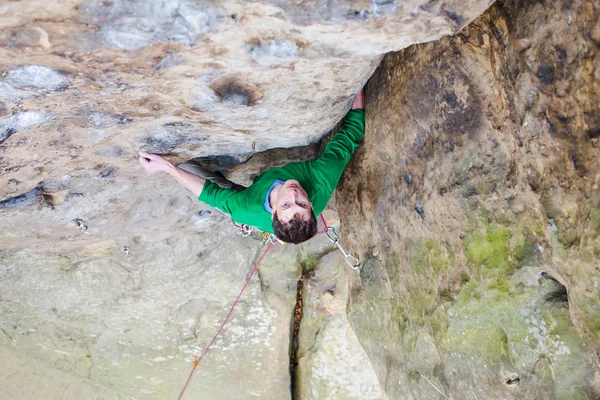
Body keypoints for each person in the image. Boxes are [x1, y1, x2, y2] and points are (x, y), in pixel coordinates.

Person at [139, 91, 365, 244]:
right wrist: (359, 83)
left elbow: (211, 194)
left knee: (185, 169)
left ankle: (244, 225)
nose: (294, 194)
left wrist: (168, 168)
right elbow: (352, 132)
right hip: (261, 201)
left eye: (287, 203)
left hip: (247, 202)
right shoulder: (321, 180)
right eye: (301, 203)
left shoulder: (247, 209)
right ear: (312, 205)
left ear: (274, 211)